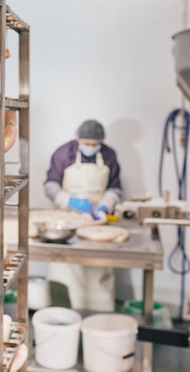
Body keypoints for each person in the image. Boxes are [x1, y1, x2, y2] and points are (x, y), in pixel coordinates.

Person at [43, 119, 122, 311]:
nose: (91, 148)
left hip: (96, 220)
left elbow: (115, 188)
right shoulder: (64, 153)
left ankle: (98, 317)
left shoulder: (109, 154)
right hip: (67, 220)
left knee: (97, 271)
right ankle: (64, 313)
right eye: (87, 144)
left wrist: (105, 205)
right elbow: (50, 185)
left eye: (95, 145)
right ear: (79, 139)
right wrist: (70, 200)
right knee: (66, 271)